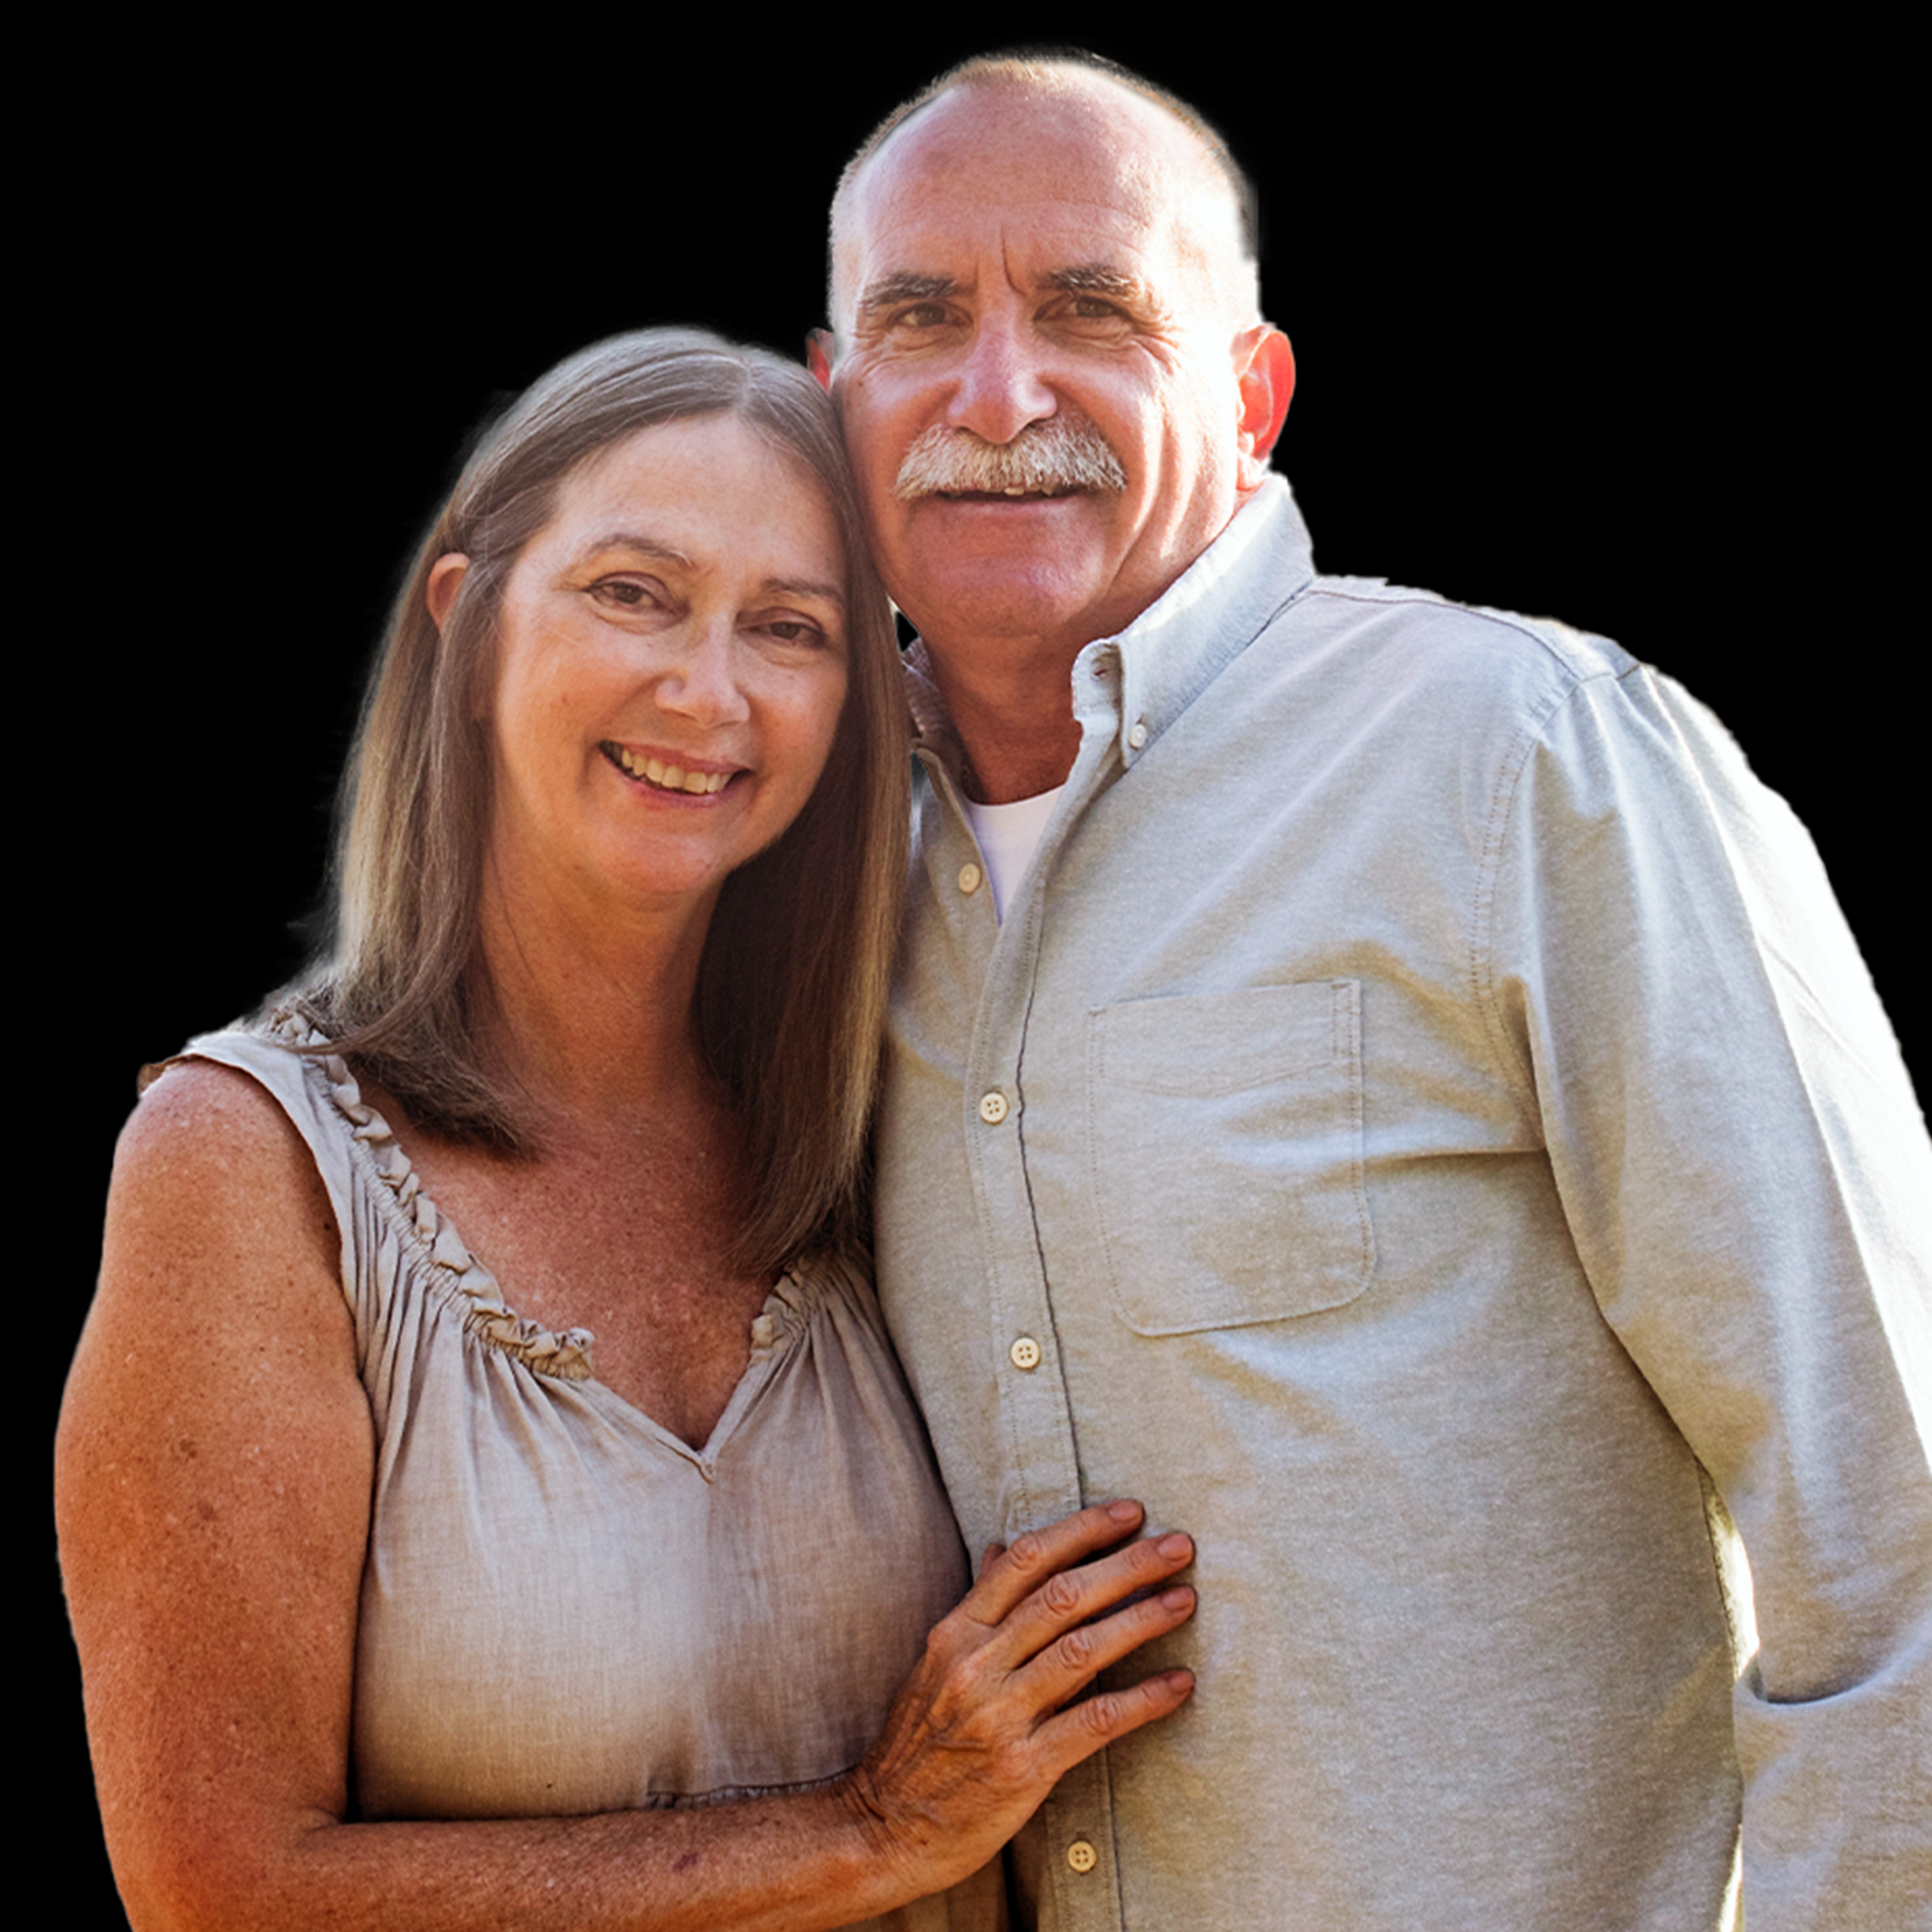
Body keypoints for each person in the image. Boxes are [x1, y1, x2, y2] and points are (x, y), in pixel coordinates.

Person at [809, 52, 1932, 1931]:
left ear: (1248, 398)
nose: (996, 394)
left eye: (1090, 308)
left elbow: (1885, 1504)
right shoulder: (792, 876)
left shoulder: (1524, 761)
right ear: (836, 405)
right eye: (921, 320)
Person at [54, 327, 1202, 1932]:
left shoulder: (906, 1115)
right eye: (632, 593)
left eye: (789, 627)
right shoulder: (247, 1161)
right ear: (467, 621)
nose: (707, 690)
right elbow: (220, 1886)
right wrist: (875, 1828)